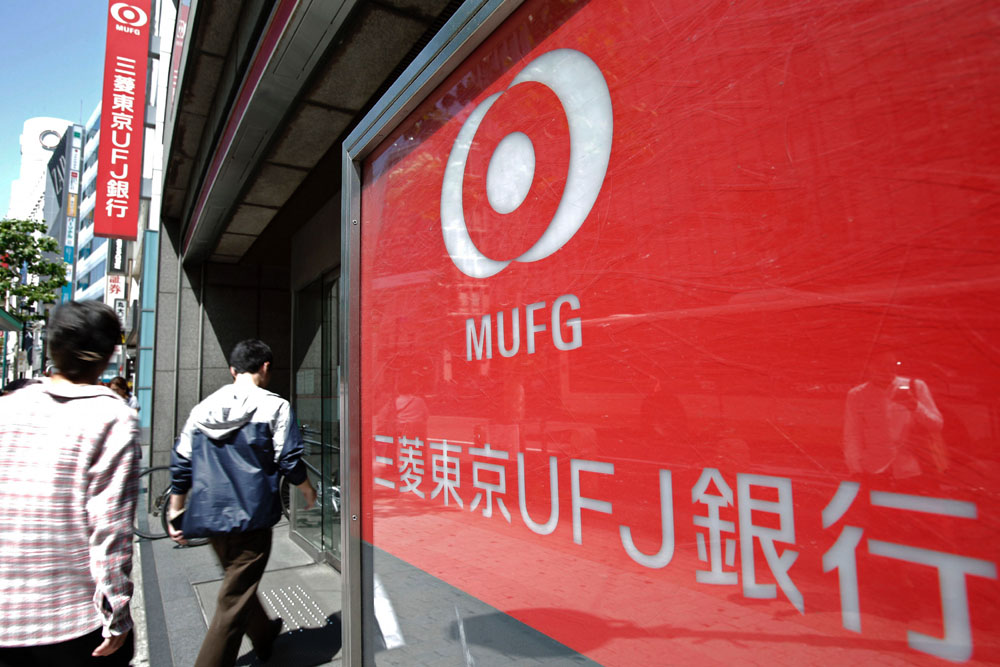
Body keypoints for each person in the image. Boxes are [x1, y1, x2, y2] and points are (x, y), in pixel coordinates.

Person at [0, 301, 139, 666]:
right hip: (70, 621)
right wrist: (118, 614)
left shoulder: (8, 407)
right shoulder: (111, 417)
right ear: (109, 354)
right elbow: (111, 530)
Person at [168, 339, 317, 666]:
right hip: (251, 517)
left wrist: (175, 508)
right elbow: (289, 460)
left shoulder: (202, 408)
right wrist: (307, 490)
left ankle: (264, 635)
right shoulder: (275, 406)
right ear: (265, 367)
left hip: (210, 516)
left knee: (239, 585)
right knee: (233, 601)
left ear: (232, 370)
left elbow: (181, 461)